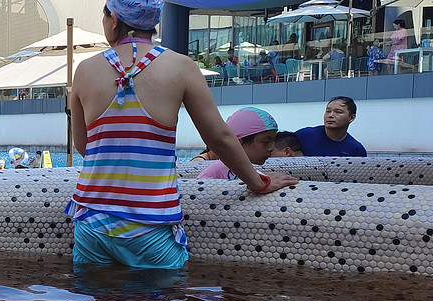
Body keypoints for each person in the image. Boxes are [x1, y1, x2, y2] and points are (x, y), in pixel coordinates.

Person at [66, 0, 296, 268]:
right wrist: (258, 183)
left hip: (92, 222)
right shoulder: (180, 66)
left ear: (114, 20)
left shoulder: (85, 70)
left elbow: (84, 146)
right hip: (149, 226)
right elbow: (219, 139)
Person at [197, 107, 278, 180]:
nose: (271, 148)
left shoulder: (244, 170)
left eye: (273, 141)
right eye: (265, 142)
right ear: (238, 144)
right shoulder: (217, 173)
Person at [295, 96, 366, 157]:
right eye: (328, 111)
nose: (330, 115)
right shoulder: (303, 135)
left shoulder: (357, 150)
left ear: (351, 118)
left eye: (338, 112)